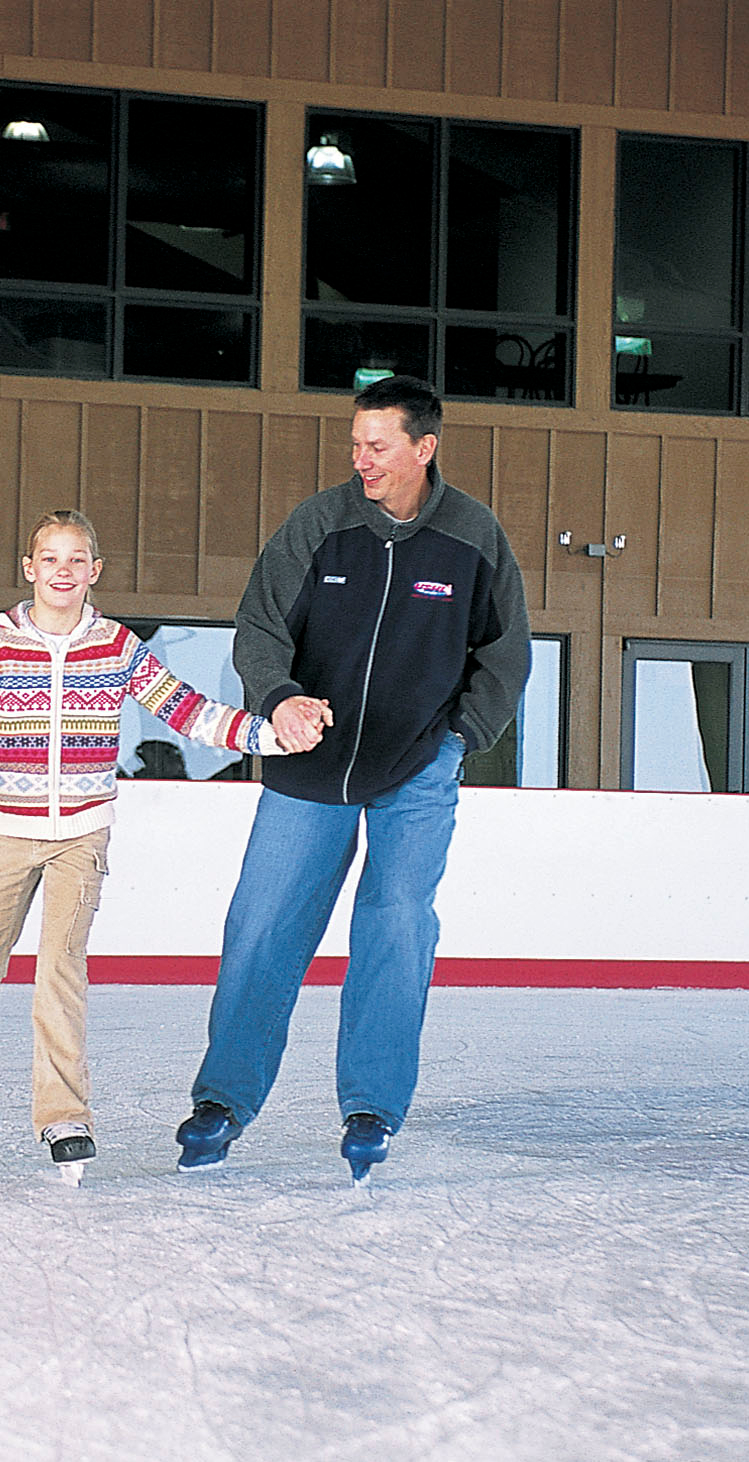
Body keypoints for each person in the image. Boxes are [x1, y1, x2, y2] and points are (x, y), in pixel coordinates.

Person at [0, 509, 303, 1180]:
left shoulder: (117, 646)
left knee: (60, 974)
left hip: (80, 837)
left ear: (93, 572)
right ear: (29, 568)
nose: (62, 571)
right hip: (7, 833)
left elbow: (186, 710)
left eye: (76, 560)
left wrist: (270, 735)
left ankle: (63, 1115)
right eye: (50, 559)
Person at [174, 375, 532, 1181]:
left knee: (397, 925)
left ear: (423, 447)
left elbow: (504, 655)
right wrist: (279, 698)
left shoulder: (473, 537)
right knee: (261, 928)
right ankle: (222, 1100)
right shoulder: (320, 526)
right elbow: (260, 626)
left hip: (417, 768)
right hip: (309, 765)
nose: (360, 459)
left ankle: (371, 1105)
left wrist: (461, 738)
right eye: (356, 445)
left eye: (377, 445)